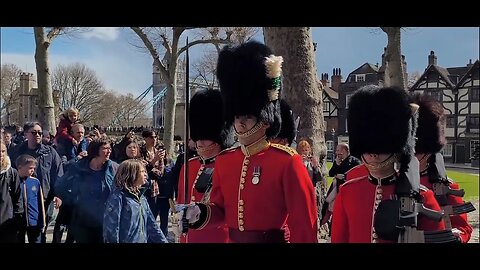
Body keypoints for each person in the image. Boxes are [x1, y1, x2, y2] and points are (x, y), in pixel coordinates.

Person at [179, 41, 318, 243]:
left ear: (265, 119)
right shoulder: (226, 161)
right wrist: (200, 212)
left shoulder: (287, 161)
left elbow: (304, 223)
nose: (241, 123)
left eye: (248, 117)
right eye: (236, 117)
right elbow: (220, 210)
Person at [331, 85, 447, 243]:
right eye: (367, 149)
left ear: (397, 149)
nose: (373, 154)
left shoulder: (423, 196)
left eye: (382, 149)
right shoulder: (347, 192)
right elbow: (339, 239)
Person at [411, 93, 474, 243]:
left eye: (417, 151)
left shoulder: (444, 187)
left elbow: (463, 227)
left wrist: (457, 236)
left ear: (428, 152)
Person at [175, 88, 233, 243]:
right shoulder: (189, 166)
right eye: (197, 137)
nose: (199, 142)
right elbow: (181, 202)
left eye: (205, 137)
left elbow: (233, 212)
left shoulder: (232, 166)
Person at [55, 137, 118, 243]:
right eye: (105, 148)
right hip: (83, 218)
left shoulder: (114, 168)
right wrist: (71, 200)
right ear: (95, 150)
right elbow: (61, 185)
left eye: (109, 148)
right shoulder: (78, 167)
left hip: (105, 218)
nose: (109, 151)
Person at [9, 122, 64, 243]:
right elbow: (10, 173)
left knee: (38, 235)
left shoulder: (50, 152)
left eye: (40, 132)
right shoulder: (16, 151)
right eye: (34, 132)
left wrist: (58, 194)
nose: (38, 135)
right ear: (26, 134)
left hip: (43, 200)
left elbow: (58, 174)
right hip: (19, 201)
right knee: (18, 235)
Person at [103, 159, 167, 243]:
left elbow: (152, 225)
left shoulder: (141, 197)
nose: (146, 174)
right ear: (131, 174)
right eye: (142, 171)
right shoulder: (118, 197)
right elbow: (111, 229)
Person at [321, 143, 361, 226]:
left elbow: (358, 175)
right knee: (328, 204)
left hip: (349, 191)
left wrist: (344, 177)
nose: (336, 152)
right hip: (337, 189)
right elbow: (331, 173)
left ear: (344, 150)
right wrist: (336, 165)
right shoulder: (337, 160)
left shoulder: (355, 161)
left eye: (338, 150)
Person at [16, 154, 46, 243]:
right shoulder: (14, 181)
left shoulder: (35, 182)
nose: (32, 170)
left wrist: (42, 222)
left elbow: (40, 202)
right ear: (20, 167)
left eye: (33, 168)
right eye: (30, 168)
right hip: (18, 222)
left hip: (34, 220)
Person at [0, 141, 23, 243]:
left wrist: (17, 219)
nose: (1, 154)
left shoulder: (11, 173)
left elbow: (18, 197)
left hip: (7, 222)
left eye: (3, 151)